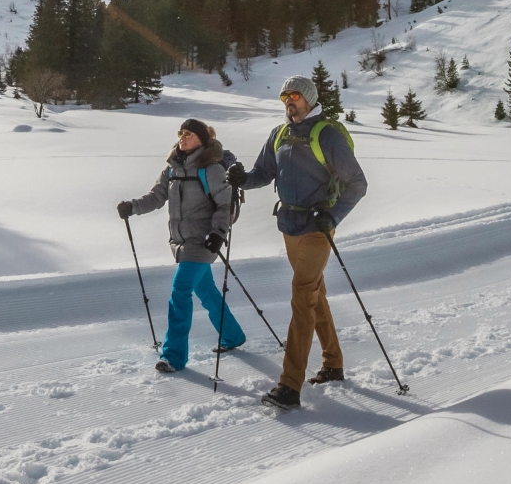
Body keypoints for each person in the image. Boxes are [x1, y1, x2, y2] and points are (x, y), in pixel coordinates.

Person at [229, 74, 367, 408]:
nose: (289, 102)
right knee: (314, 294)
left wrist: (333, 216)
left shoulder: (328, 134)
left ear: (308, 98)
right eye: (284, 98)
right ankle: (333, 364)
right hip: (289, 225)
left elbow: (357, 184)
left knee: (302, 296)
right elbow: (264, 173)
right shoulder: (279, 134)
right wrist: (243, 179)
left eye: (294, 96)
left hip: (319, 227)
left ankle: (290, 387)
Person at [119, 118, 248, 372]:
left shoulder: (210, 169)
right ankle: (233, 336)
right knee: (207, 292)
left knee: (180, 290)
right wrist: (132, 207)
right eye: (181, 133)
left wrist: (219, 232)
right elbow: (156, 197)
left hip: (204, 241)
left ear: (201, 139)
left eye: (188, 134)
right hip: (181, 241)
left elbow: (226, 205)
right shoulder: (172, 169)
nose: (183, 137)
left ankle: (173, 356)